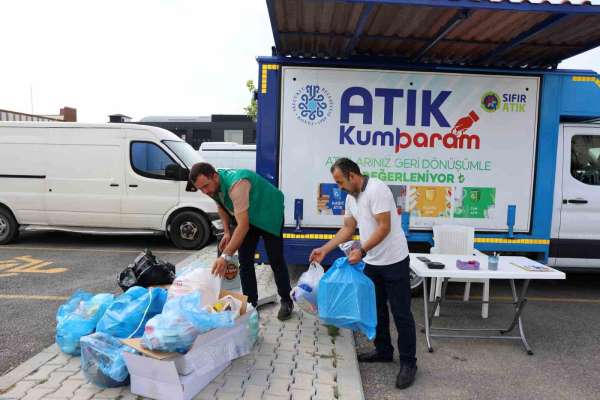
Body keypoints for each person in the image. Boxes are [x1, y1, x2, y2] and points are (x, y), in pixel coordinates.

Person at [309, 158, 417, 389]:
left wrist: (362, 249)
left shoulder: (377, 189)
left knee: (401, 314)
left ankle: (409, 363)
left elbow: (384, 227)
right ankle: (384, 350)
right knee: (376, 308)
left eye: (340, 181)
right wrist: (324, 249)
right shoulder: (351, 197)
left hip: (394, 260)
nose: (339, 187)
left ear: (352, 175)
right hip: (373, 262)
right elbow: (348, 229)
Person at [189, 162, 294, 320]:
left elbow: (242, 226)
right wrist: (226, 232)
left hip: (269, 212)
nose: (205, 191)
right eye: (201, 189)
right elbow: (221, 206)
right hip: (249, 215)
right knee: (245, 261)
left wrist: (225, 256)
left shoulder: (236, 185)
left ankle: (286, 300)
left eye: (206, 186)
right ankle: (251, 304)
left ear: (215, 176)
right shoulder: (214, 187)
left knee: (275, 259)